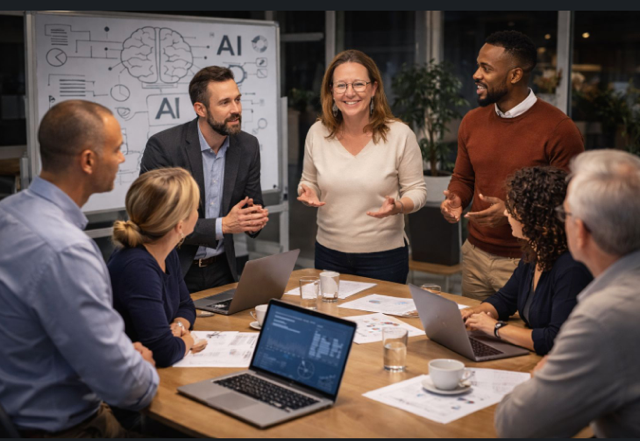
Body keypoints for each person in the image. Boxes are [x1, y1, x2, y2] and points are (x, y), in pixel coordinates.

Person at [0, 100, 158, 438]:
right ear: (88, 160)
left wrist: (114, 354)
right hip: (65, 428)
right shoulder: (67, 250)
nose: (121, 159)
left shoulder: (8, 213)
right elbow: (125, 387)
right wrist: (140, 369)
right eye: (116, 149)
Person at [495, 150, 640, 437]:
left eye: (566, 213)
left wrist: (540, 378)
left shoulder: (604, 317)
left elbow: (516, 427)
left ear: (580, 229)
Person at [440, 30, 584, 301]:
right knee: (472, 338)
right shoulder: (471, 121)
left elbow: (570, 202)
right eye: (477, 65)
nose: (475, 74)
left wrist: (510, 213)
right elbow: (463, 177)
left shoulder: (559, 129)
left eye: (486, 68)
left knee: (517, 340)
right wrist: (456, 198)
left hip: (528, 261)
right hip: (474, 255)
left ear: (515, 75)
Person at [297, 49, 427, 283]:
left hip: (384, 258)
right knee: (332, 318)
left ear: (374, 88)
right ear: (331, 91)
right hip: (329, 255)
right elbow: (309, 181)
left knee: (381, 320)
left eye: (358, 84)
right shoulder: (317, 133)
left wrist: (398, 206)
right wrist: (308, 191)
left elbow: (417, 191)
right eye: (341, 86)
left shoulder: (400, 135)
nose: (350, 93)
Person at [141, 66, 269, 293]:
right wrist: (224, 225)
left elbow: (253, 208)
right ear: (200, 109)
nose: (236, 109)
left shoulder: (247, 146)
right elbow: (155, 223)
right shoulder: (164, 147)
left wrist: (254, 219)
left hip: (224, 270)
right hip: (174, 271)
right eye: (225, 102)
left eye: (238, 100)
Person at [460, 166, 592, 355]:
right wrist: (476, 313)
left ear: (535, 218)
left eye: (513, 209)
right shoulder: (535, 253)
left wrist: (496, 329)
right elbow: (505, 300)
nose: (506, 214)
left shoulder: (571, 267)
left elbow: (555, 340)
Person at [109, 168, 208, 368]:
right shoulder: (138, 268)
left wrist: (178, 326)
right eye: (195, 208)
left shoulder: (166, 250)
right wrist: (188, 340)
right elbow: (163, 352)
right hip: (129, 372)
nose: (198, 213)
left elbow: (186, 306)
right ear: (180, 226)